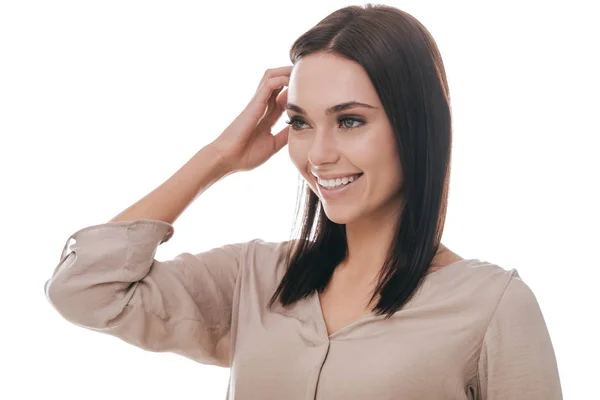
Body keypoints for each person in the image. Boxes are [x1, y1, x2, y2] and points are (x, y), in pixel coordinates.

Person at [43, 4, 562, 399]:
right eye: (300, 122)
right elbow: (83, 289)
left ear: (416, 127)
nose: (319, 153)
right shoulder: (256, 277)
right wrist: (218, 158)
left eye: (350, 120)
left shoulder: (493, 306)